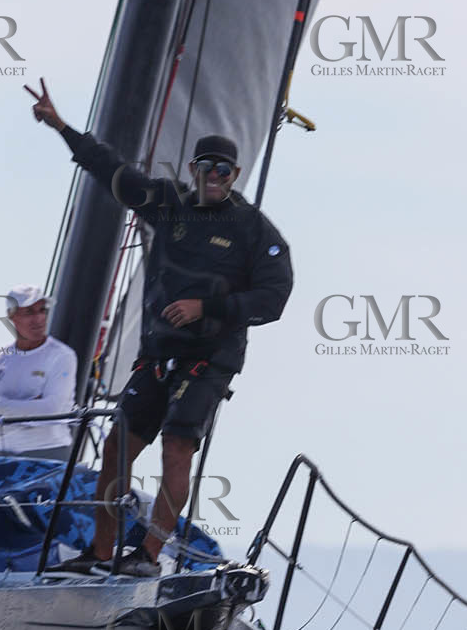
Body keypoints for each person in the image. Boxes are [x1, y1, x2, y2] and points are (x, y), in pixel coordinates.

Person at [26, 77, 293, 576]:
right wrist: (62, 127)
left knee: (176, 448)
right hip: (157, 354)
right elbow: (112, 171)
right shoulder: (169, 203)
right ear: (193, 169)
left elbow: (274, 299)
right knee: (116, 447)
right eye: (205, 167)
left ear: (234, 174)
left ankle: (148, 555)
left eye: (223, 170)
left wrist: (206, 309)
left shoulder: (255, 230)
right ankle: (101, 553)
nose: (213, 175)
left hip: (208, 360)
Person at [0, 285, 77, 462]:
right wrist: (29, 414)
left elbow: (52, 409)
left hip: (48, 456)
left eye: (42, 310)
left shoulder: (63, 356)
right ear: (11, 316)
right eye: (29, 312)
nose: (38, 319)